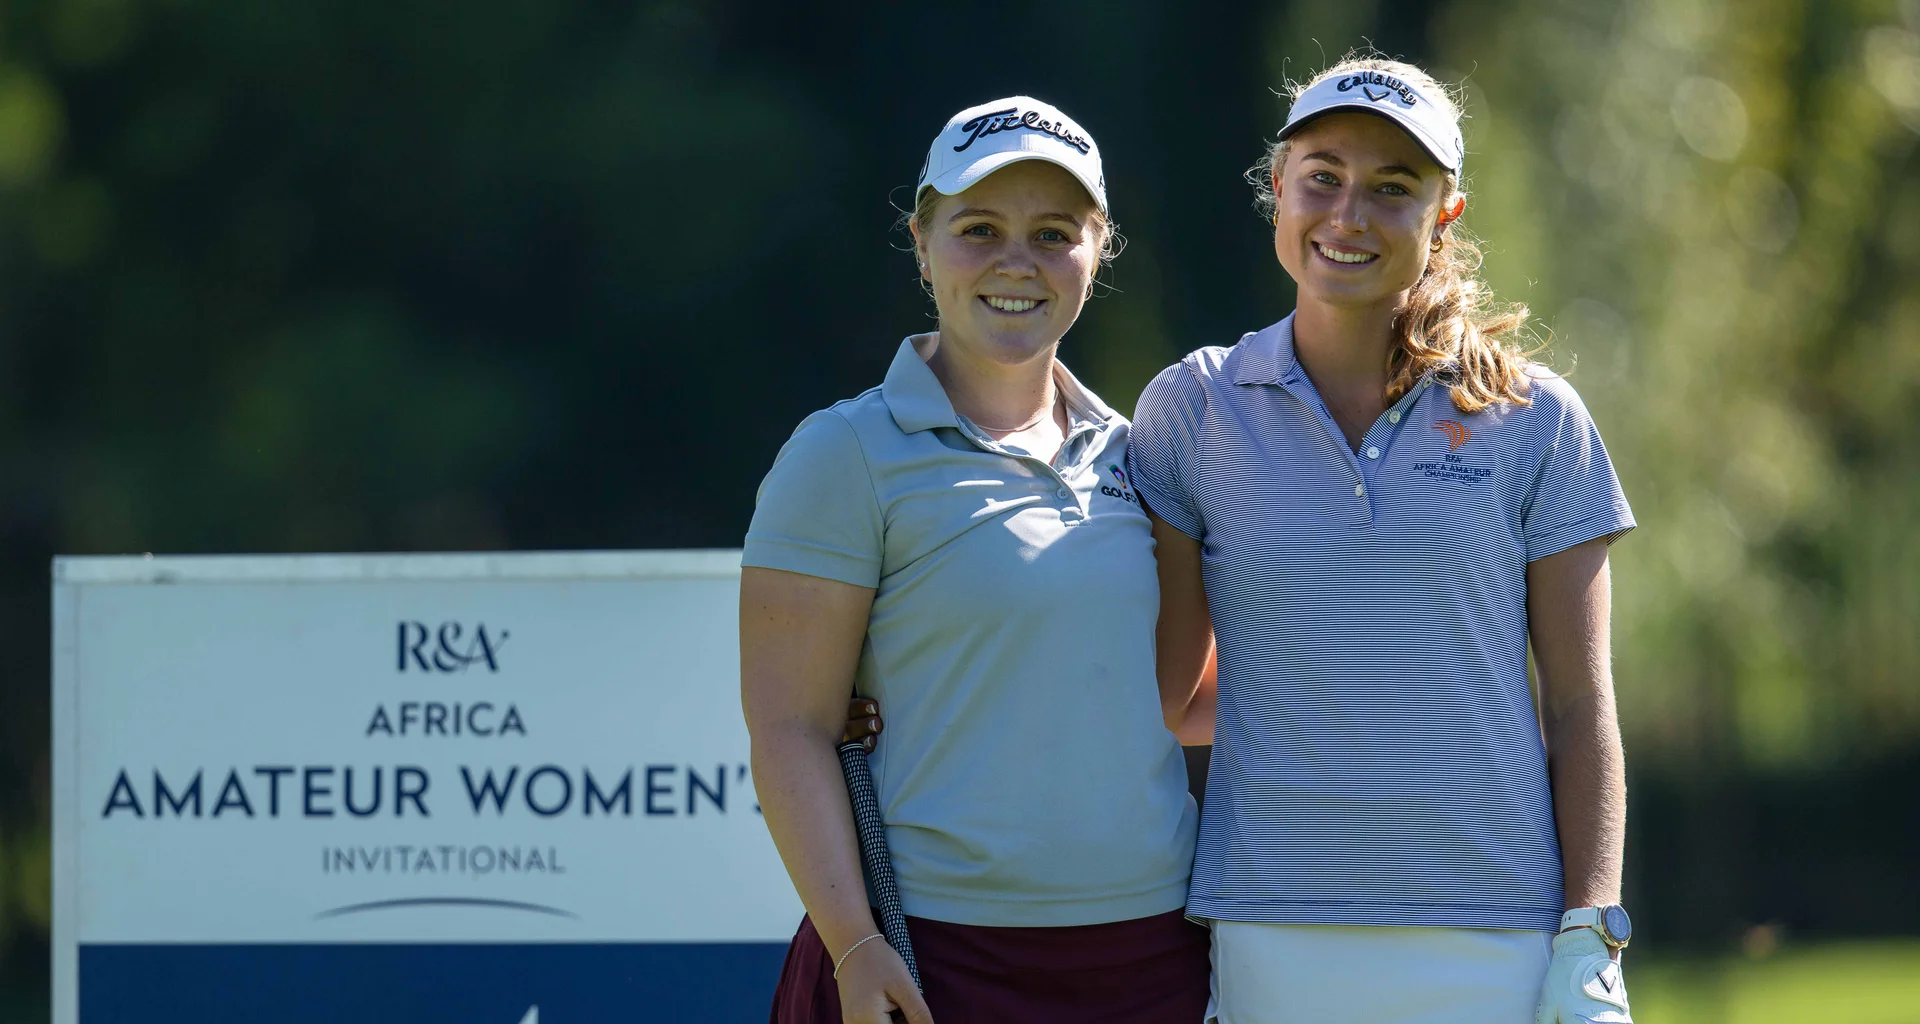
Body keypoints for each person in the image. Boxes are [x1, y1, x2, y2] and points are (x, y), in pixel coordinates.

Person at [1129, 57, 1639, 1024]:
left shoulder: (1536, 418)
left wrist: (1592, 928)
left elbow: (1580, 704)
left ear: (1445, 216)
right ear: (1276, 189)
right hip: (1275, 927)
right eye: (1322, 175)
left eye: (1393, 188)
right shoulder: (1192, 409)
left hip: (1500, 932)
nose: (1348, 214)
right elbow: (1168, 693)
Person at [739, 96, 1209, 1024]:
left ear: (1096, 249)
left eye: (1052, 233)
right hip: (928, 957)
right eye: (979, 229)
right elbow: (789, 727)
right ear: (922, 243)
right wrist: (853, 944)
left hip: (1149, 956)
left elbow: (1183, 698)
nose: (1016, 262)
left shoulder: (1145, 456)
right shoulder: (845, 453)